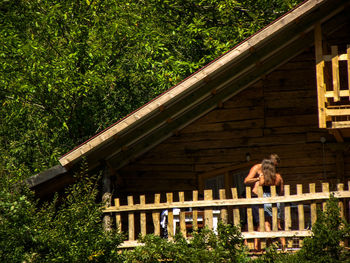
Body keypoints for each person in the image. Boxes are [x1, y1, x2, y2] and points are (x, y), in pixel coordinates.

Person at [252, 158, 285, 250]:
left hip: (265, 200)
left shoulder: (263, 177)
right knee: (278, 224)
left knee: (267, 223)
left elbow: (256, 190)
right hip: (276, 200)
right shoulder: (278, 177)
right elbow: (281, 190)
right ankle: (283, 245)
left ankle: (271, 241)